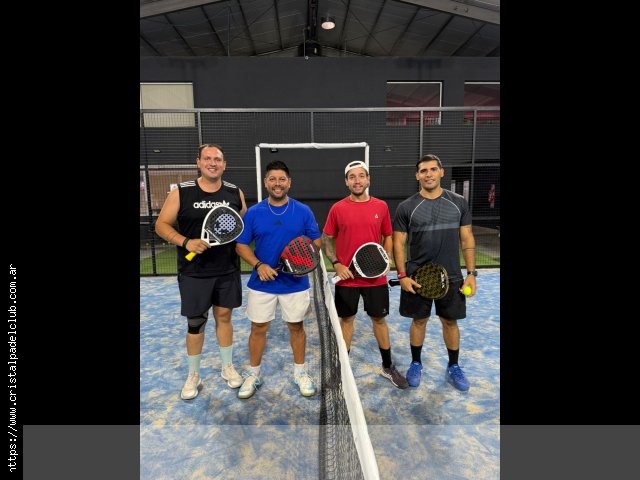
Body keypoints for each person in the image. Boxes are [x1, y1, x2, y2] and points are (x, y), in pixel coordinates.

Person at [155, 143, 247, 400]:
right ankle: (193, 374)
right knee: (196, 323)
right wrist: (186, 242)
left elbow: (242, 224)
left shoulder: (234, 192)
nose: (212, 163)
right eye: (207, 158)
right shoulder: (181, 192)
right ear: (198, 162)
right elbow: (161, 225)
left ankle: (227, 367)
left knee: (224, 317)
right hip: (193, 272)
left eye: (217, 159)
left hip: (227, 270)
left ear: (224, 165)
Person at [235, 160, 322, 399]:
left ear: (289, 183)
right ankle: (253, 374)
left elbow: (316, 241)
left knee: (296, 327)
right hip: (262, 283)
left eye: (282, 179)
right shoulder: (254, 213)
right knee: (258, 328)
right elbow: (241, 245)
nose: (277, 183)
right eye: (272, 179)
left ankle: (300, 373)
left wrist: (303, 262)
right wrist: (259, 265)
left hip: (295, 283)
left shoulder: (303, 211)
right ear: (266, 183)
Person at [392, 154, 477, 392]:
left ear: (441, 172)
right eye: (423, 171)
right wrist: (402, 276)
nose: (428, 174)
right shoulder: (406, 207)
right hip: (417, 277)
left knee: (450, 321)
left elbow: (467, 238)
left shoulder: (458, 203)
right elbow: (398, 243)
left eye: (432, 169)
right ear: (417, 176)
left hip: (452, 276)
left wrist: (471, 273)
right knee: (419, 320)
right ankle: (416, 363)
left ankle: (453, 366)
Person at [322, 160, 408, 389]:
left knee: (379, 320)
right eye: (352, 177)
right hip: (347, 279)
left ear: (368, 179)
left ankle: (388, 367)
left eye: (361, 176)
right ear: (346, 182)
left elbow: (388, 235)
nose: (357, 180)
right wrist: (336, 263)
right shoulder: (337, 208)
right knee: (346, 320)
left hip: (375, 279)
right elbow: (326, 238)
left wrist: (386, 256)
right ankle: (342, 370)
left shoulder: (381, 206)